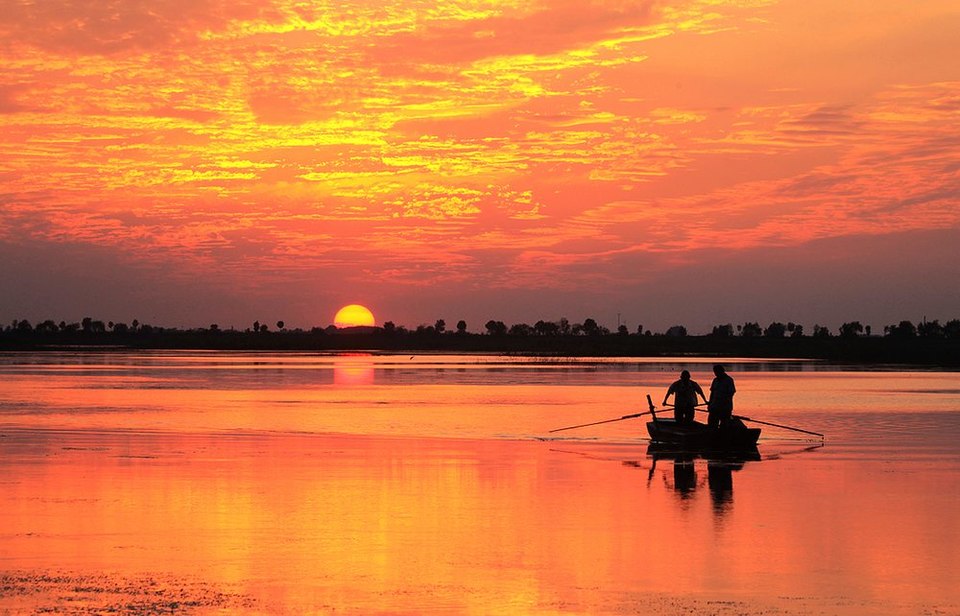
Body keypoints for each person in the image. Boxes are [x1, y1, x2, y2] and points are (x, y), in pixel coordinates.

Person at [708, 364, 736, 430]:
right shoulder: (715, 380)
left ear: (722, 371)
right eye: (715, 372)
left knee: (724, 425)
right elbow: (712, 393)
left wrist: (723, 400)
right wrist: (710, 404)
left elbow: (731, 393)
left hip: (725, 408)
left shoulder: (729, 380)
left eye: (717, 372)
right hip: (714, 407)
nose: (715, 373)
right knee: (712, 424)